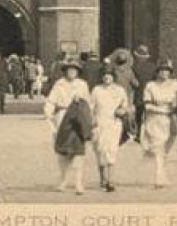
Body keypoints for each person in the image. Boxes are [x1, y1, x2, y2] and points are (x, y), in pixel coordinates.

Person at [141, 59, 177, 188]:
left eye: (167, 71)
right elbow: (147, 106)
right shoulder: (150, 86)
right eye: (162, 71)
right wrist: (163, 109)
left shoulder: (175, 85)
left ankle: (163, 175)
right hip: (156, 120)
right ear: (157, 72)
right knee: (159, 148)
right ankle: (159, 178)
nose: (164, 73)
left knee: (165, 150)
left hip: (172, 120)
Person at [44, 58, 92, 194]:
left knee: (78, 150)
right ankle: (63, 180)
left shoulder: (82, 85)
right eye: (69, 69)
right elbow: (51, 100)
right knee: (62, 151)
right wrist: (48, 113)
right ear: (65, 71)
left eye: (74, 70)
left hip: (78, 119)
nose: (72, 72)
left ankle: (78, 183)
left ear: (78, 72)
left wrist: (89, 119)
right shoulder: (59, 84)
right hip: (62, 116)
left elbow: (88, 103)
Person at [90, 63, 130, 191]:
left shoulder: (119, 90)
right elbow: (91, 107)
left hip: (114, 124)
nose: (107, 78)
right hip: (99, 123)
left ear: (113, 77)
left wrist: (122, 110)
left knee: (111, 150)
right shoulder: (96, 90)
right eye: (104, 76)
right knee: (100, 151)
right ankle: (102, 179)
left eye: (109, 75)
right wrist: (92, 120)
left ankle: (110, 180)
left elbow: (125, 105)